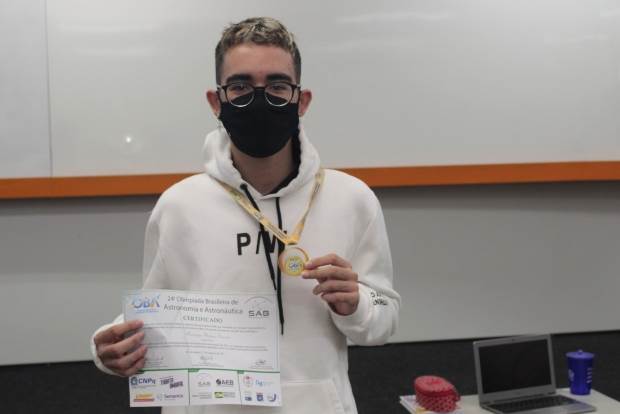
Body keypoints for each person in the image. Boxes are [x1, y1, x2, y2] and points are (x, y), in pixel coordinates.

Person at [91, 17, 400, 414]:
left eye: (277, 86)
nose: (259, 99)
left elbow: (385, 318)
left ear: (302, 100)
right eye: (240, 86)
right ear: (215, 101)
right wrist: (111, 346)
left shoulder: (352, 199)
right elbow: (157, 315)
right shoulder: (179, 206)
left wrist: (357, 303)